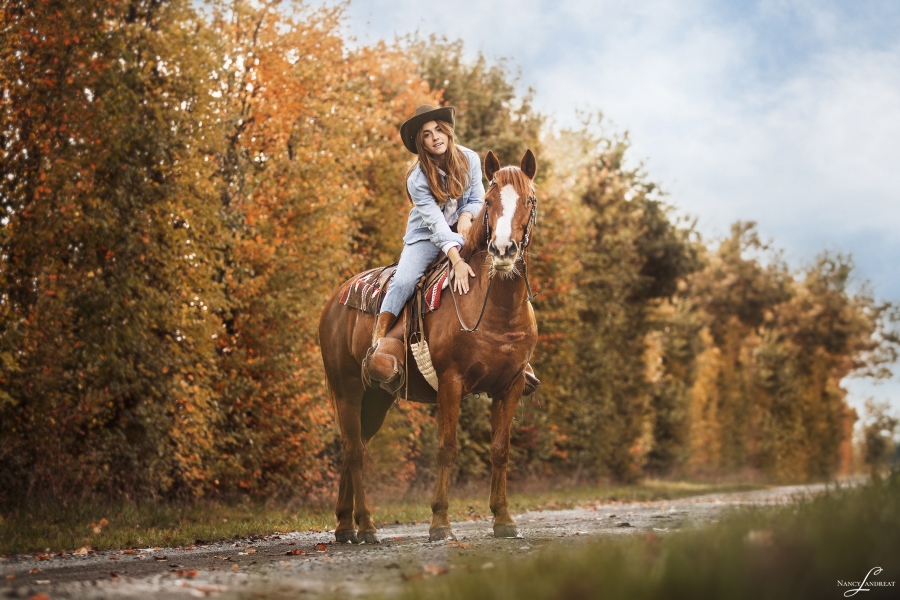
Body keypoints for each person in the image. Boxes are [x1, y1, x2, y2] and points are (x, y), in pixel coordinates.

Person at [365, 104, 539, 395]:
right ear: (420, 143)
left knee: (495, 262)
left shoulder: (469, 158)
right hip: (426, 236)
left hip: (463, 228)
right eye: (426, 134)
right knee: (406, 280)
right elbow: (434, 225)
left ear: (448, 131)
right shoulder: (416, 178)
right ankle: (379, 341)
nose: (435, 137)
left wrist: (467, 217)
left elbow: (475, 199)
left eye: (439, 130)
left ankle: (510, 355)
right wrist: (457, 259)